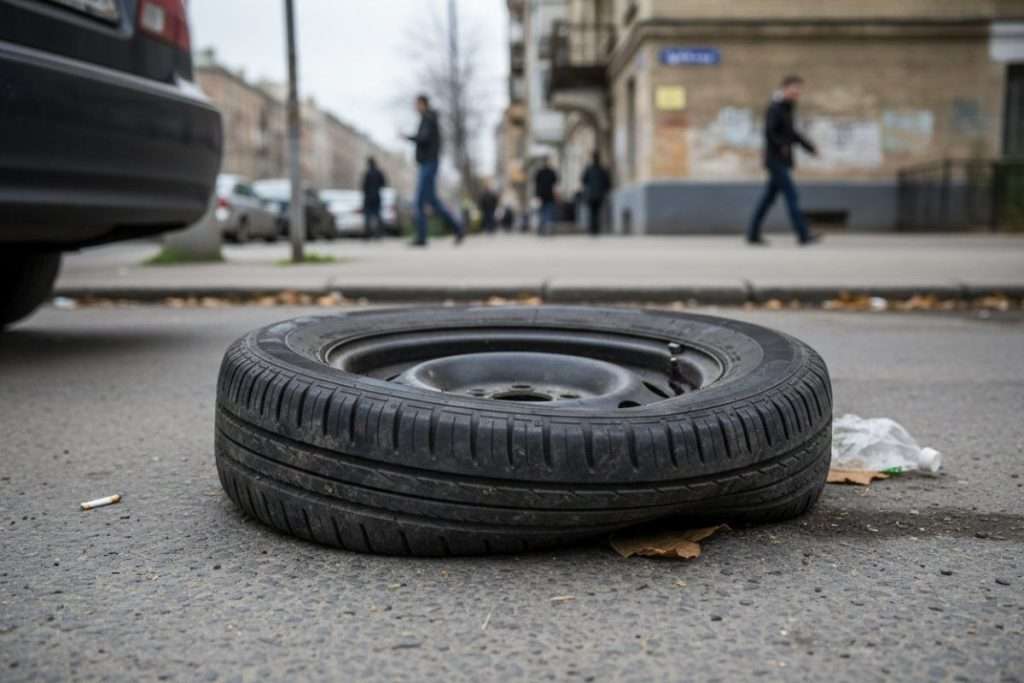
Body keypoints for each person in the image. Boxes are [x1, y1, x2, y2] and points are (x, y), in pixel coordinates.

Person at [747, 75, 821, 246]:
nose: (797, 92)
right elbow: (769, 132)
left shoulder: (787, 107)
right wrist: (782, 145)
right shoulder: (775, 107)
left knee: (768, 198)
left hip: (782, 160)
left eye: (799, 89)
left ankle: (752, 233)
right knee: (791, 195)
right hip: (775, 160)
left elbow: (792, 133)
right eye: (795, 88)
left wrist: (809, 148)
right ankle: (803, 234)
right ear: (785, 88)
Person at [404, 94, 463, 247]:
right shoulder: (428, 118)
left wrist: (408, 137)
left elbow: (424, 138)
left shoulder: (428, 118)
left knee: (419, 201)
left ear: (423, 104)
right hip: (428, 163)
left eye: (417, 104)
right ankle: (457, 228)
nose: (415, 107)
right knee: (432, 201)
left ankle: (422, 237)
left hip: (428, 163)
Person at [580, 151, 612, 236]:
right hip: (599, 194)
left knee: (592, 212)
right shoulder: (602, 169)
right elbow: (607, 182)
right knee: (597, 212)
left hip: (591, 194)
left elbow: (583, 180)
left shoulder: (589, 169)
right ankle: (596, 229)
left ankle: (593, 229)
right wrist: (605, 190)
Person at [361, 157, 387, 239]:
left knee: (368, 216)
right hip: (376, 196)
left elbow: (363, 186)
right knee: (377, 215)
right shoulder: (379, 173)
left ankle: (367, 234)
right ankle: (378, 234)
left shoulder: (367, 173)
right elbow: (384, 183)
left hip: (368, 197)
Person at [533, 158, 558, 236]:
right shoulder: (551, 172)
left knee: (543, 212)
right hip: (548, 195)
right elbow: (555, 182)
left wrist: (537, 194)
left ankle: (543, 229)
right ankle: (547, 229)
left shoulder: (540, 172)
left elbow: (536, 184)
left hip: (543, 195)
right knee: (547, 212)